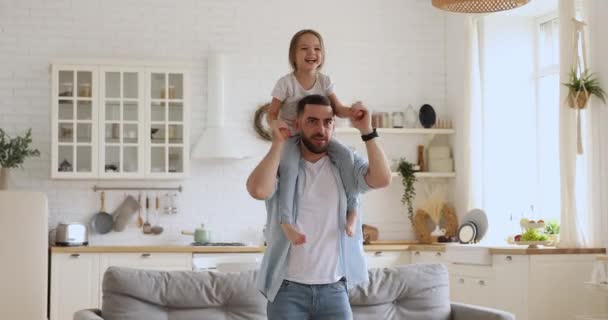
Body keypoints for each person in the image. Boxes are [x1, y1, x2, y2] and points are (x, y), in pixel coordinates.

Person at [246, 94, 392, 319]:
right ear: (298, 124)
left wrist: (366, 130)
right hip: (287, 291)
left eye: (328, 122)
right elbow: (258, 190)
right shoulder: (283, 162)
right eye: (312, 121)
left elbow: (382, 179)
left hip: (334, 290)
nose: (321, 129)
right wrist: (278, 142)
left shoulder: (345, 163)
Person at [267, 29, 362, 245]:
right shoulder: (286, 83)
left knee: (347, 157)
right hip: (293, 137)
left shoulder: (324, 81)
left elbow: (338, 109)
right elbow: (272, 113)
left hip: (321, 138)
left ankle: (353, 211)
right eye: (305, 48)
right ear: (294, 55)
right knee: (289, 170)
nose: (312, 53)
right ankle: (285, 221)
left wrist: (353, 111)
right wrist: (277, 124)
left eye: (317, 48)